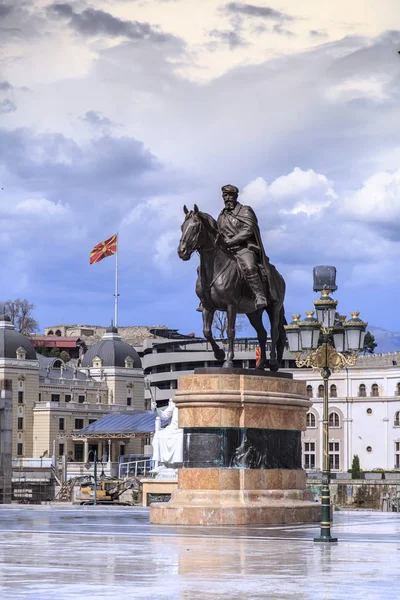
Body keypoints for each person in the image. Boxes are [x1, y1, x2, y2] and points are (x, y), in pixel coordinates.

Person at [217, 184, 273, 310]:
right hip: (226, 250)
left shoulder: (245, 210)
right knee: (204, 267)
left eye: (230, 195)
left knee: (249, 267)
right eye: (225, 195)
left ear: (236, 196)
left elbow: (249, 230)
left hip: (243, 248)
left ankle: (259, 296)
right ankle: (206, 298)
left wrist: (231, 241)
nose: (227, 198)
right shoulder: (221, 216)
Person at [151, 398, 183, 469]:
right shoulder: (174, 404)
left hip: (182, 429)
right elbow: (164, 415)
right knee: (158, 435)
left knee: (180, 438)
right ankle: (161, 463)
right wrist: (155, 409)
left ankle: (178, 464)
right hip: (172, 428)